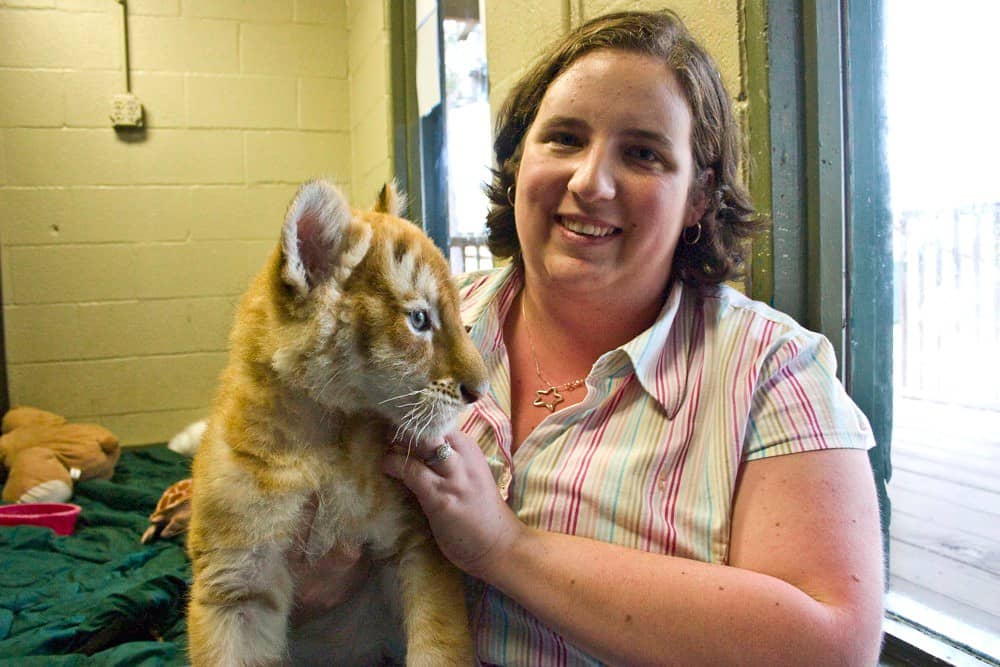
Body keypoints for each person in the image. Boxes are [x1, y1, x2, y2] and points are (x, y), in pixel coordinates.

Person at [302, 9, 885, 665]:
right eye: (564, 139)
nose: (590, 182)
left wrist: (505, 547)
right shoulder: (424, 319)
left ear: (699, 196)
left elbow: (832, 646)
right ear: (519, 160)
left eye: (643, 153)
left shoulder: (772, 369)